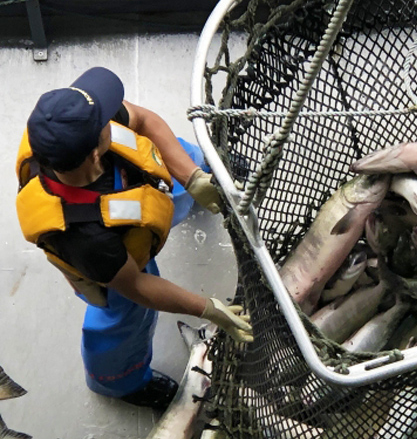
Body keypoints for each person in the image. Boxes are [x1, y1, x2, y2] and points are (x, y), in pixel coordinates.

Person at [15, 67, 253, 411]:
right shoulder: (84, 237)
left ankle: (204, 179)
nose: (112, 110)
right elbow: (136, 284)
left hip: (140, 187)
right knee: (125, 315)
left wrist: (192, 177)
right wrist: (209, 310)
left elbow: (142, 120)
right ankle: (119, 382)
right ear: (96, 152)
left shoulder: (69, 122)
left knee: (182, 166)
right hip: (120, 258)